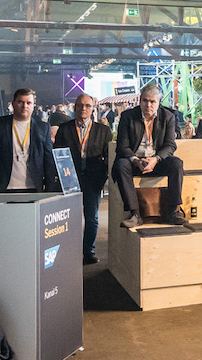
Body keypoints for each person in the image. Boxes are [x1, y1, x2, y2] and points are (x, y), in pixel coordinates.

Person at [114, 83, 186, 226]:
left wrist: (156, 159)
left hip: (156, 160)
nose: (148, 105)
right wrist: (135, 160)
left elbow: (170, 145)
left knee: (177, 163)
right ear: (140, 100)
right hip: (134, 160)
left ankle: (173, 211)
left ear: (159, 102)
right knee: (121, 165)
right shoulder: (127, 116)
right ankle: (135, 214)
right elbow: (122, 146)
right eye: (145, 101)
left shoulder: (168, 117)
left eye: (152, 102)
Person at [53, 93, 112, 265]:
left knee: (91, 218)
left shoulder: (103, 131)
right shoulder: (64, 129)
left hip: (93, 179)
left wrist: (103, 176)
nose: (83, 109)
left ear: (93, 108)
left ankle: (88, 252)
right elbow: (58, 154)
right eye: (80, 105)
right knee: (69, 218)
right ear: (75, 107)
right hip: (70, 179)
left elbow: (108, 157)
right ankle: (69, 252)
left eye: (87, 106)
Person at [0, 88, 60, 198]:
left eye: (28, 103)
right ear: (13, 104)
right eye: (20, 102)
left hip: (33, 188)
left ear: (33, 106)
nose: (24, 106)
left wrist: (50, 191)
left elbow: (48, 160)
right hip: (1, 188)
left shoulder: (43, 128)